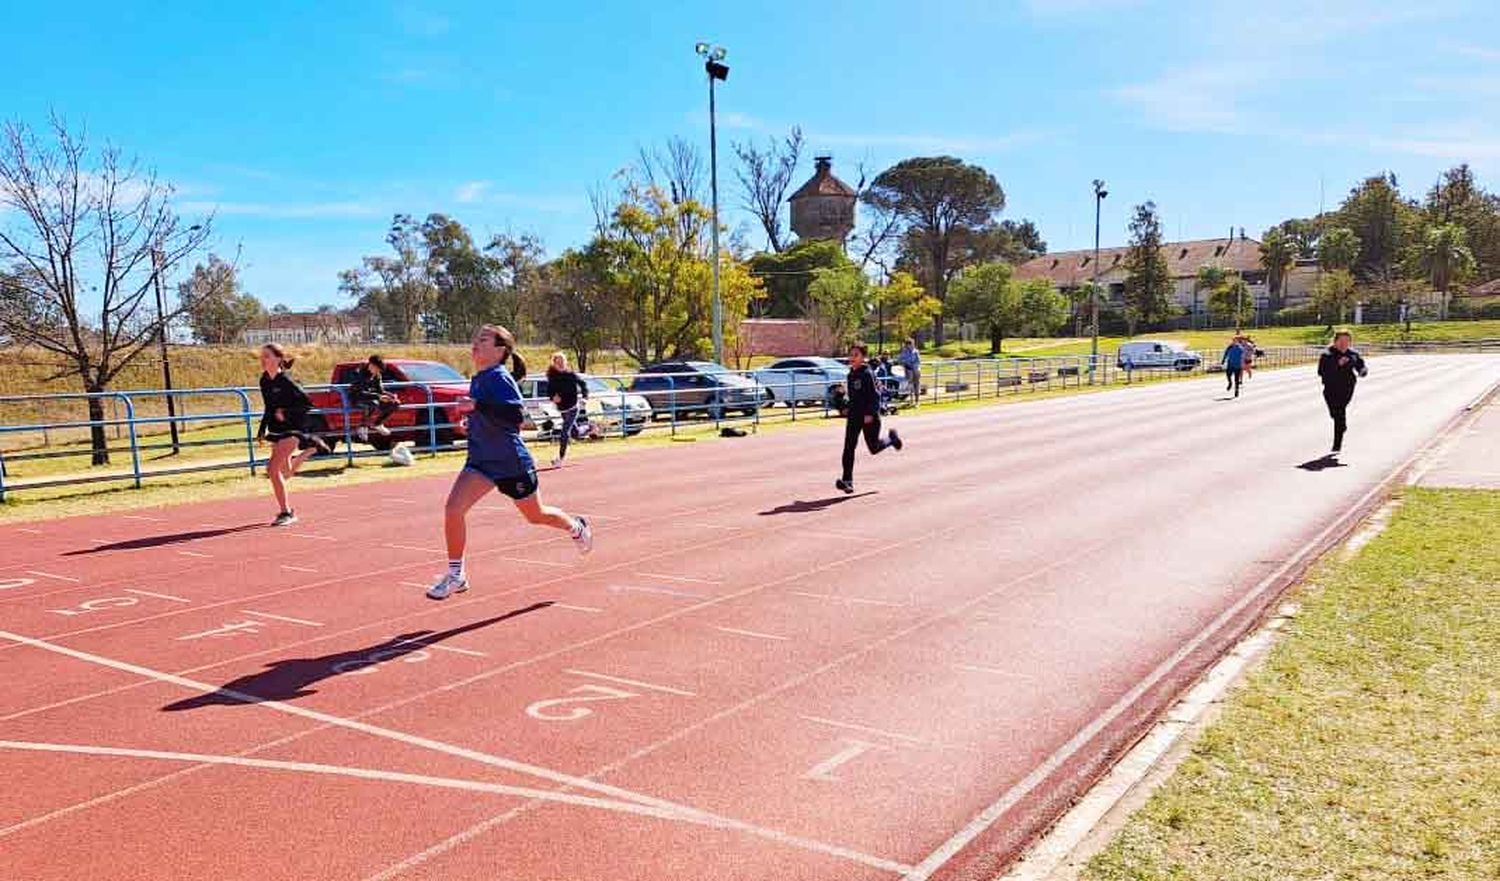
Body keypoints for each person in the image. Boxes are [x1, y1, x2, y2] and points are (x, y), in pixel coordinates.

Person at [426, 325, 592, 600]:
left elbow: (516, 416)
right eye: (475, 338)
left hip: (510, 463)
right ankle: (456, 575)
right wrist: (471, 419)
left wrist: (477, 407)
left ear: (500, 350)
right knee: (453, 509)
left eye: (483, 339)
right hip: (480, 461)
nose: (475, 343)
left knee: (535, 515)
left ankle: (576, 527)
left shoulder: (499, 377)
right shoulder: (479, 378)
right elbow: (489, 414)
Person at [256, 344, 330, 527]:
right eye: (262, 356)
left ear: (278, 359)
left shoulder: (287, 381)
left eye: (267, 356)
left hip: (293, 428)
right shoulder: (264, 380)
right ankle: (310, 449)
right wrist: (261, 430)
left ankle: (286, 512)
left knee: (272, 470)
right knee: (285, 473)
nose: (263, 359)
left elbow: (307, 404)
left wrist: (286, 411)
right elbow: (268, 408)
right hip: (276, 430)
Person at [835, 343, 903, 494]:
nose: (852, 358)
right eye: (851, 354)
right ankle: (847, 481)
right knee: (848, 448)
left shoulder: (867, 373)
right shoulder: (850, 374)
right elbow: (853, 398)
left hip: (869, 417)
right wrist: (842, 403)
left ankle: (892, 439)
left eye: (856, 355)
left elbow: (875, 395)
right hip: (854, 416)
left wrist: (870, 413)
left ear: (863, 357)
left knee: (874, 448)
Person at [1317, 330, 1368, 455]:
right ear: (1335, 341)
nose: (1344, 344)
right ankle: (1341, 425)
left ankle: (1336, 445)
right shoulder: (1327, 354)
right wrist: (1337, 364)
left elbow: (1361, 366)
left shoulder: (1353, 354)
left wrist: (1363, 371)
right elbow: (1321, 372)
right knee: (1335, 414)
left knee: (1340, 412)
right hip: (1330, 388)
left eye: (1347, 341)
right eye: (1341, 341)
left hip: (1347, 387)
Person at [546, 351, 589, 468]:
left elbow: (583, 385)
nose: (560, 364)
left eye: (562, 362)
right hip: (562, 409)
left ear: (565, 363)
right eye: (557, 362)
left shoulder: (571, 375)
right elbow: (549, 391)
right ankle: (590, 427)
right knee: (575, 433)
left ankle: (560, 458)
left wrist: (585, 398)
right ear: (553, 363)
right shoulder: (552, 376)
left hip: (573, 407)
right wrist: (553, 397)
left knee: (565, 432)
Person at [349, 354, 399, 442]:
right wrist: (379, 397)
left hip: (373, 397)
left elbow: (380, 390)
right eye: (376, 369)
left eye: (379, 370)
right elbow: (359, 392)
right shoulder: (359, 374)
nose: (377, 371)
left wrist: (390, 395)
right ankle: (363, 427)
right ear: (371, 365)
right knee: (373, 403)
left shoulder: (377, 375)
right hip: (357, 397)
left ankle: (378, 424)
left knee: (395, 403)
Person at [897, 339, 922, 407]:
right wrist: (905, 363)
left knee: (917, 385)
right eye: (908, 344)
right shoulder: (904, 352)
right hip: (908, 370)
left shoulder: (916, 352)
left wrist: (914, 366)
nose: (909, 346)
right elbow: (899, 360)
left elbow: (919, 361)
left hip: (916, 370)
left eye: (910, 344)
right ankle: (911, 400)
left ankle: (917, 401)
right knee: (910, 385)